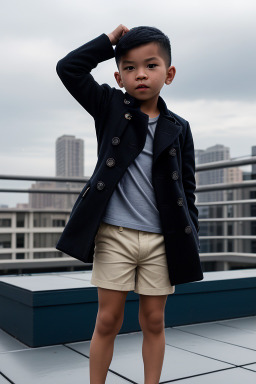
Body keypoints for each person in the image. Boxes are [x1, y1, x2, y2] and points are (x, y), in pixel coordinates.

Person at [56, 24, 203, 384]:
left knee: (154, 320)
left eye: (151, 66)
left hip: (160, 240)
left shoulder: (178, 127)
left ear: (168, 74)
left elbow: (187, 187)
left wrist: (190, 236)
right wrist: (107, 43)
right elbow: (68, 68)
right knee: (108, 319)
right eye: (130, 67)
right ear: (119, 76)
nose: (140, 74)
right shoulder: (109, 106)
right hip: (115, 235)